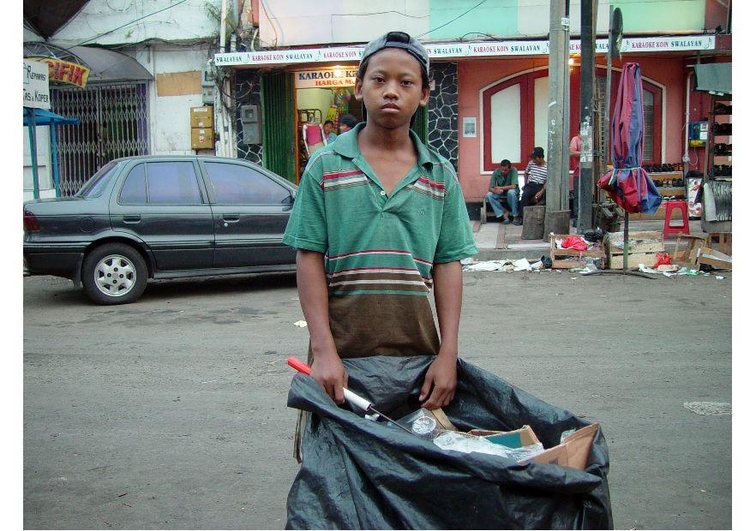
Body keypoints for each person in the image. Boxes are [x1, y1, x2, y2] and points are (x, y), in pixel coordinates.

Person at [282, 30, 477, 433]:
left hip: (418, 357)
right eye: (379, 79)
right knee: (339, 474)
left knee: (412, 466)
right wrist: (323, 352)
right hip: (342, 356)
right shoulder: (326, 166)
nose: (392, 91)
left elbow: (448, 265)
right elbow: (309, 258)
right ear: (358, 88)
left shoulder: (439, 175)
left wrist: (448, 355)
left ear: (424, 94)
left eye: (406, 82)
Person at [485, 159, 520, 225]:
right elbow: (490, 188)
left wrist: (499, 187)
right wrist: (496, 191)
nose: (503, 171)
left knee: (511, 192)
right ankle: (503, 212)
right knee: (489, 195)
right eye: (502, 170)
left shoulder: (513, 170)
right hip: (502, 192)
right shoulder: (496, 172)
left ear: (510, 168)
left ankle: (515, 216)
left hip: (512, 191)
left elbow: (513, 186)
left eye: (505, 170)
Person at [520, 146, 548, 217]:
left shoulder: (547, 167)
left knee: (542, 198)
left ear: (541, 157)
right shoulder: (531, 163)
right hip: (532, 184)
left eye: (535, 158)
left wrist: (541, 191)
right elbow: (526, 173)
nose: (534, 160)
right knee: (525, 195)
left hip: (541, 186)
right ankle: (522, 216)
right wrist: (526, 183)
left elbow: (547, 181)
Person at [569, 131, 582, 226]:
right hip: (579, 172)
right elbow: (571, 152)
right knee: (578, 196)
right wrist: (585, 153)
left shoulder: (593, 138)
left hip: (593, 172)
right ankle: (577, 217)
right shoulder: (576, 139)